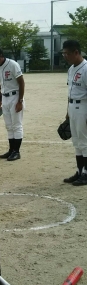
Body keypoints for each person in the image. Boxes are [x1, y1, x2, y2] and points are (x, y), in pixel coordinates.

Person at [0, 47, 25, 161]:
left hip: (15, 97)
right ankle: (11, 150)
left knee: (16, 125)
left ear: (0, 56)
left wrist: (20, 101)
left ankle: (16, 152)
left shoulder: (13, 64)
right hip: (5, 98)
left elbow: (21, 83)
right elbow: (0, 83)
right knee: (9, 126)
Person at [62, 39, 87, 186]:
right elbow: (70, 92)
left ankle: (86, 173)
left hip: (83, 107)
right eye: (63, 53)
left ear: (76, 52)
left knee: (84, 142)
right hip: (73, 107)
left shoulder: (86, 68)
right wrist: (67, 112)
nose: (65, 56)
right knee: (77, 142)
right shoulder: (71, 69)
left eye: (67, 53)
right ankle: (79, 171)